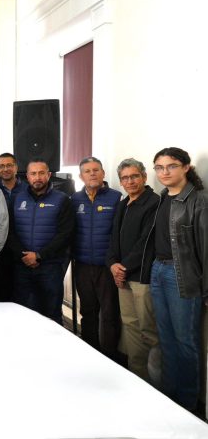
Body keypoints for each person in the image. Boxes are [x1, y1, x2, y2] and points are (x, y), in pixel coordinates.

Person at [149, 147, 208, 412]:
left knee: (186, 342)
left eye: (171, 166)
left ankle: (187, 404)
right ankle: (169, 399)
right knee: (166, 339)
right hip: (158, 271)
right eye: (159, 167)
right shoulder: (163, 197)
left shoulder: (198, 200)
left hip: (181, 275)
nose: (164, 172)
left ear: (186, 167)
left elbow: (205, 248)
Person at [106, 158, 160, 382]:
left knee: (148, 331)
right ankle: (137, 377)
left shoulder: (154, 203)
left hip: (142, 277)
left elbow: (146, 242)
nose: (130, 181)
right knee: (130, 326)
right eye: (125, 178)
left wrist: (123, 268)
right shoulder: (123, 203)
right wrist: (112, 264)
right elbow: (114, 239)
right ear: (120, 181)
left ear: (144, 177)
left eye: (134, 176)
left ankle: (155, 384)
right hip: (123, 276)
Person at [7, 158, 74, 324]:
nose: (37, 177)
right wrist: (24, 256)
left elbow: (65, 234)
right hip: (22, 267)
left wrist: (39, 255)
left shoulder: (62, 199)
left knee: (52, 315)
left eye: (41, 173)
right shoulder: (17, 199)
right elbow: (10, 232)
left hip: (50, 267)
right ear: (27, 177)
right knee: (24, 315)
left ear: (49, 175)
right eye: (33, 173)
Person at [70, 156, 122, 359]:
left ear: (103, 173)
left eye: (96, 170)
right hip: (82, 265)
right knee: (88, 312)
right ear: (81, 176)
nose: (92, 174)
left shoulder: (116, 198)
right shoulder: (74, 200)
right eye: (87, 171)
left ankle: (110, 356)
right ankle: (89, 354)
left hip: (107, 266)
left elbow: (120, 233)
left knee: (109, 314)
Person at [0, 152, 23, 301]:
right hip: (0, 250)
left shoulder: (28, 190)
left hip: (22, 249)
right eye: (1, 166)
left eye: (9, 165)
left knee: (22, 294)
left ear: (16, 167)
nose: (5, 169)